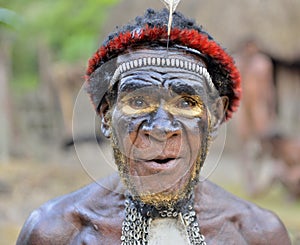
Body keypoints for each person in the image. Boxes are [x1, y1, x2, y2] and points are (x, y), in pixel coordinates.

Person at [17, 8, 290, 244]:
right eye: (137, 101)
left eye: (185, 103)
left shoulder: (257, 234)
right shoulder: (56, 232)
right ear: (106, 116)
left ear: (214, 117)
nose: (160, 128)